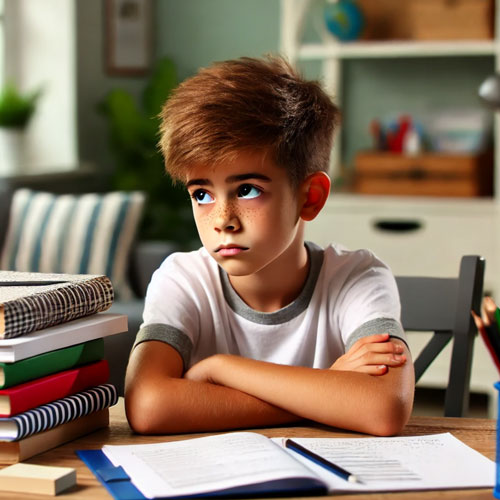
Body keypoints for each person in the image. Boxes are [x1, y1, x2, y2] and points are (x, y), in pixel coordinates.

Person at [125, 55, 415, 436]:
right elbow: (147, 406)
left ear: (310, 197)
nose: (222, 219)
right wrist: (326, 393)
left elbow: (382, 408)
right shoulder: (182, 280)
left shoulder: (357, 277)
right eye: (201, 194)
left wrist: (220, 369)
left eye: (247, 190)